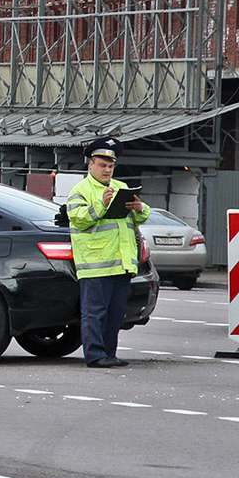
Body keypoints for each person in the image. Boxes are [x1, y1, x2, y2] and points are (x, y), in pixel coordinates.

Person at [65, 136, 150, 368]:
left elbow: (141, 217)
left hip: (121, 263)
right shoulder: (80, 191)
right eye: (102, 165)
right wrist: (101, 204)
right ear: (90, 164)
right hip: (95, 263)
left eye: (110, 166)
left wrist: (140, 207)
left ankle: (109, 353)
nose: (107, 170)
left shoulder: (121, 188)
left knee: (115, 314)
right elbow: (79, 219)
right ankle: (94, 355)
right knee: (94, 313)